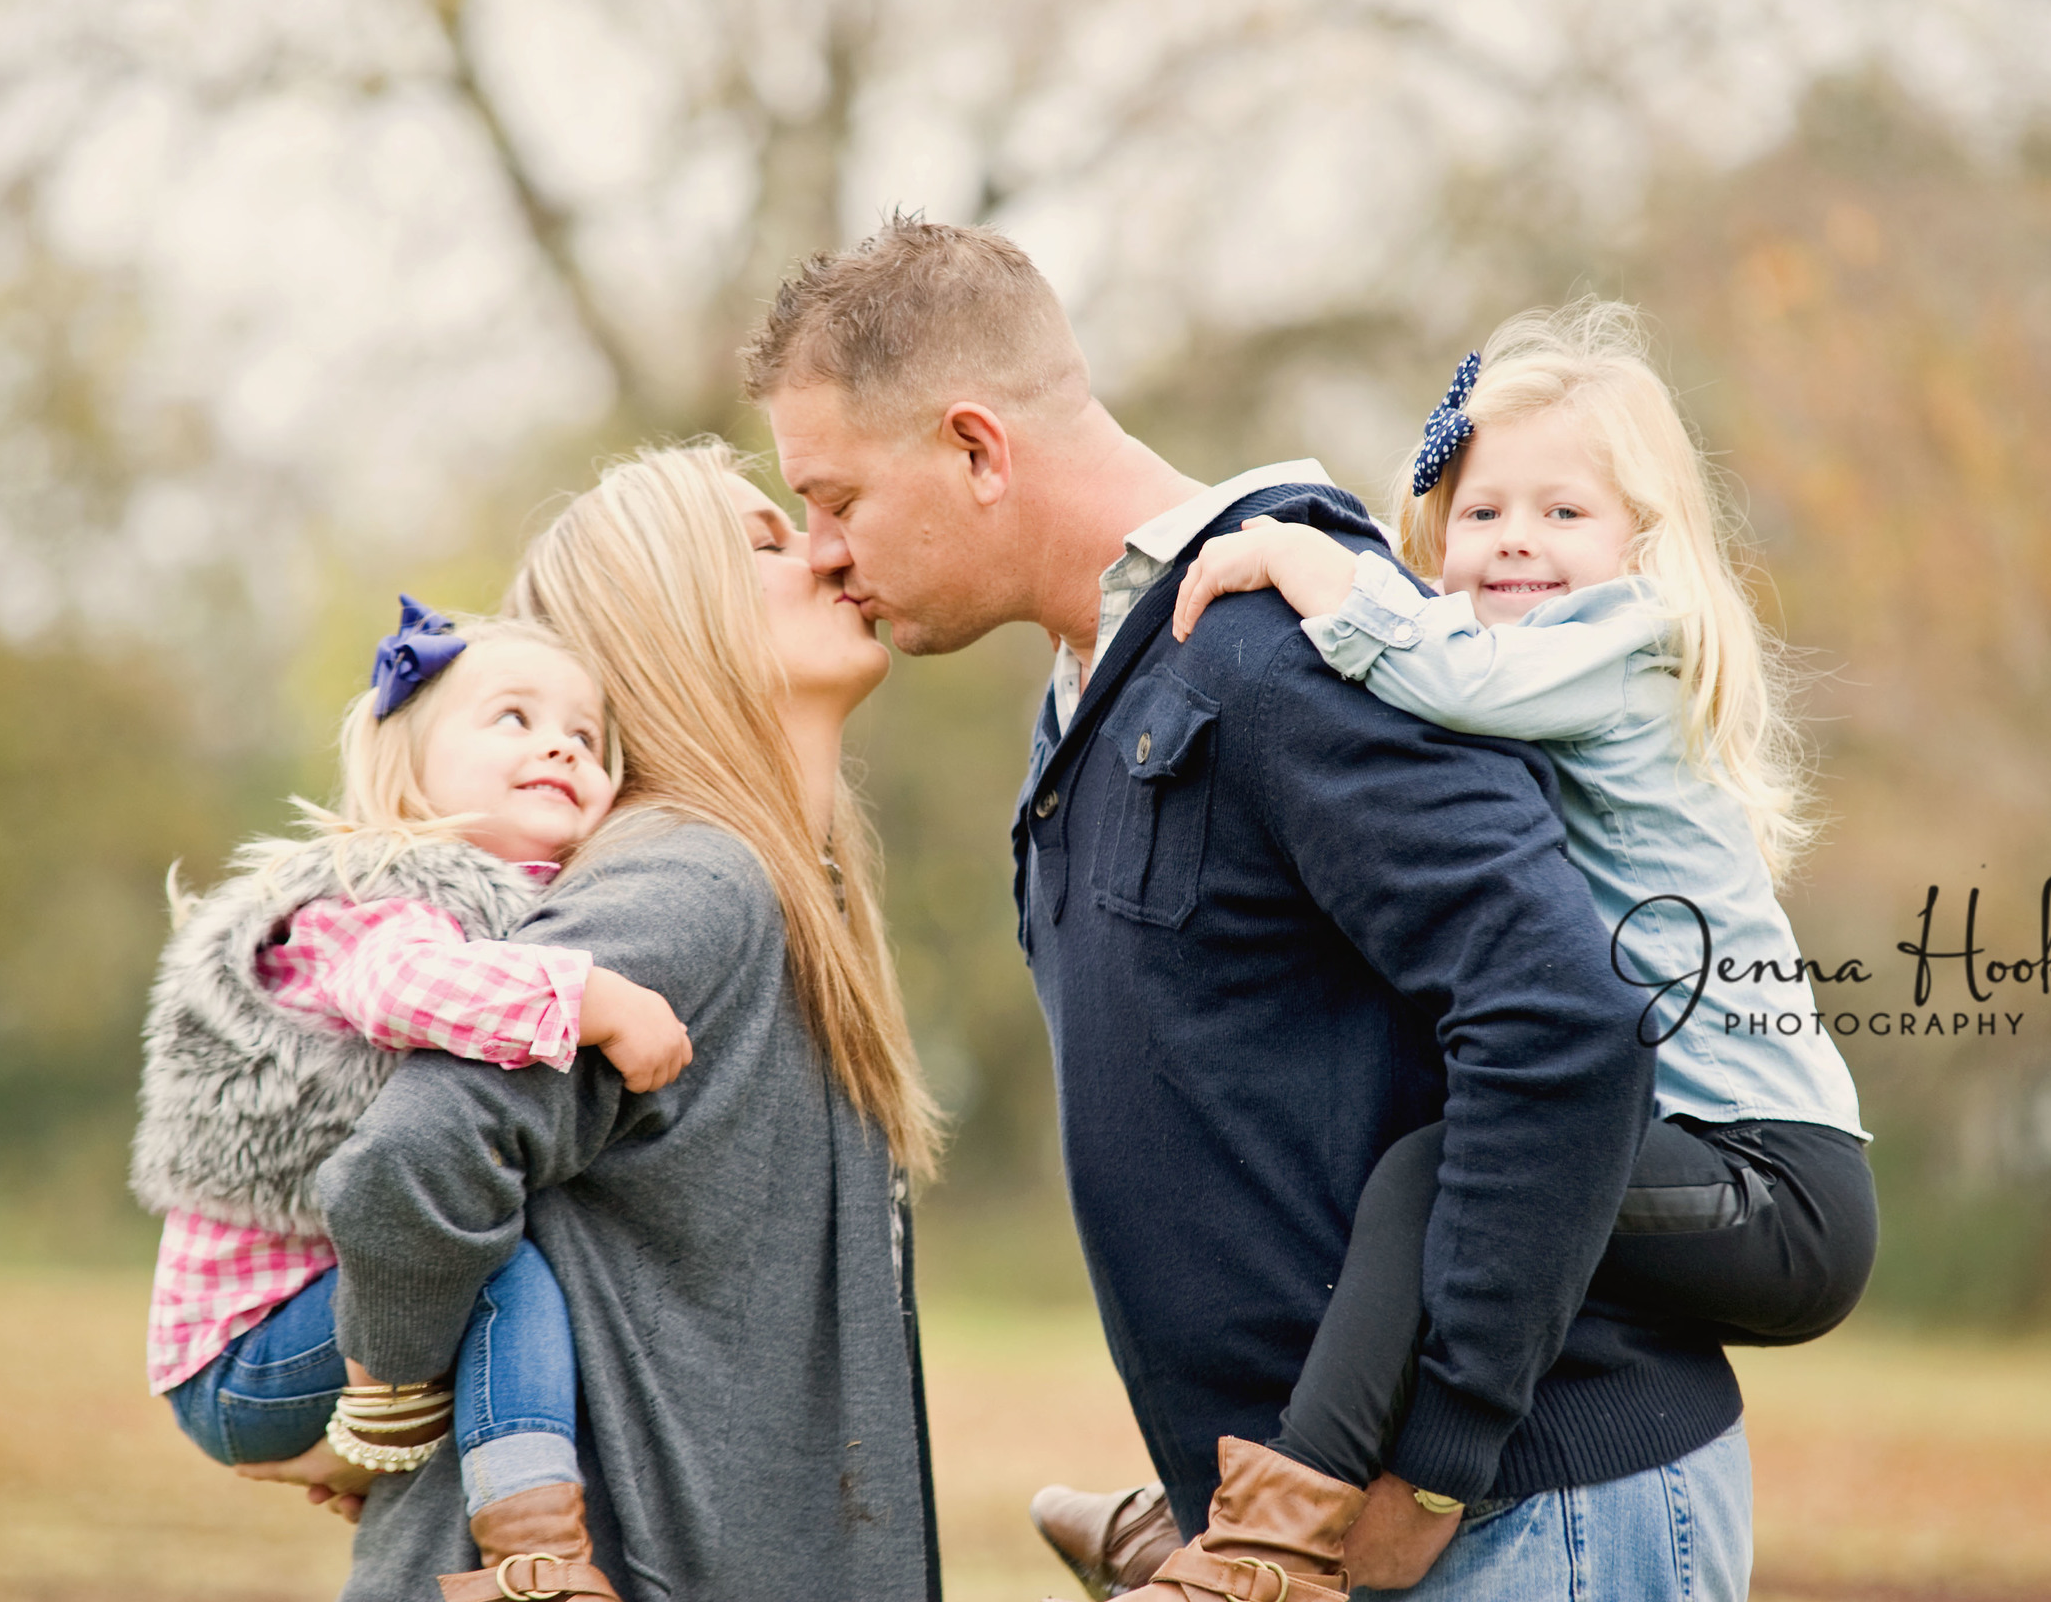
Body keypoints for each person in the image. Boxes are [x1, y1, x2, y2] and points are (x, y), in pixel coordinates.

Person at [745, 219, 1750, 1602]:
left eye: (836, 497)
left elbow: (1566, 1020)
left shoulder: (1279, 643)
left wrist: (1432, 1471)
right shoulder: (1102, 686)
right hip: (1343, 1544)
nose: (822, 551)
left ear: (978, 450)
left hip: (1517, 1518)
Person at [1123, 298, 1876, 1580]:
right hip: (1720, 1161)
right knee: (1455, 1186)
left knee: (1444, 1176)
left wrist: (1317, 574)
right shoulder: (1541, 663)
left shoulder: (1622, 641)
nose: (1515, 541)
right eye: (1481, 513)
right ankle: (1196, 1503)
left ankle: (1269, 1541)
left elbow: (1453, 672)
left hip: (1778, 1184)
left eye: (1562, 513)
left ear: (1646, 543)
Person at [265, 443, 946, 1602]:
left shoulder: (778, 892)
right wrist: (385, 1400)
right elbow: (414, 1157)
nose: (827, 546)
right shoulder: (690, 882)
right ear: (670, 621)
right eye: (766, 542)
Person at [132, 602, 694, 1591]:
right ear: (410, 766)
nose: (560, 743)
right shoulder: (378, 892)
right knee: (495, 1269)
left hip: (311, 1321)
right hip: (241, 1345)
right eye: (514, 717)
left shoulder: (523, 904)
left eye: (587, 734)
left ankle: (426, 1448)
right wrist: (592, 997)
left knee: (480, 1254)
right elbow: (406, 990)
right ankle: (540, 1562)